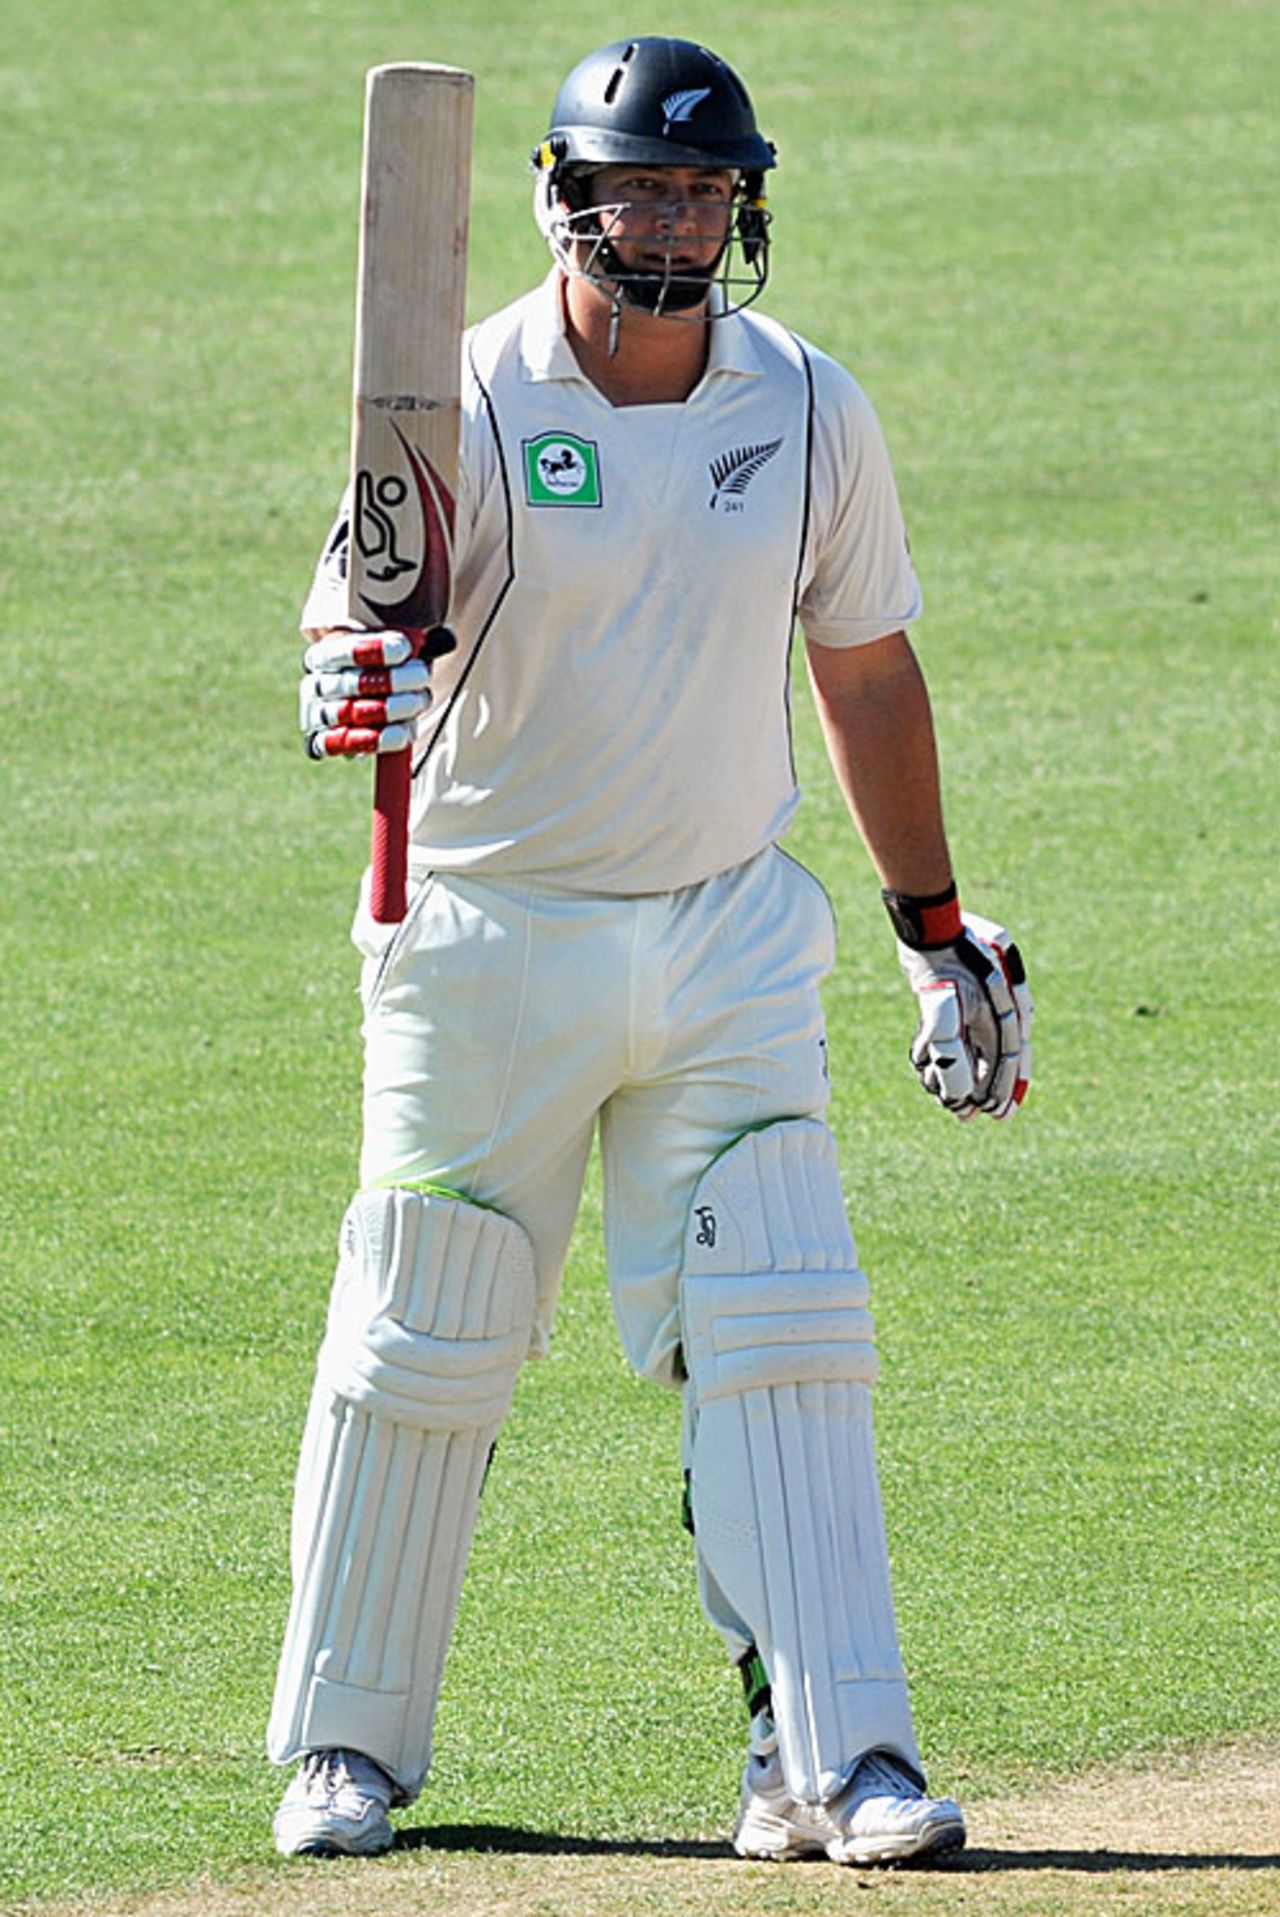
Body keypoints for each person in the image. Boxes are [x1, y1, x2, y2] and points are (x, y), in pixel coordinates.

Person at [269, 35, 1032, 1869]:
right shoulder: (451, 397)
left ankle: (833, 1759)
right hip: (484, 933)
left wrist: (936, 930)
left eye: (701, 193)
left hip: (726, 933)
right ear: (562, 199)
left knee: (783, 1324)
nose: (670, 225)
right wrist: (345, 682)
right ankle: (345, 1751)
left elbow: (864, 671)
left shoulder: (807, 405)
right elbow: (345, 636)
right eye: (634, 193)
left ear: (744, 208)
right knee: (426, 1324)